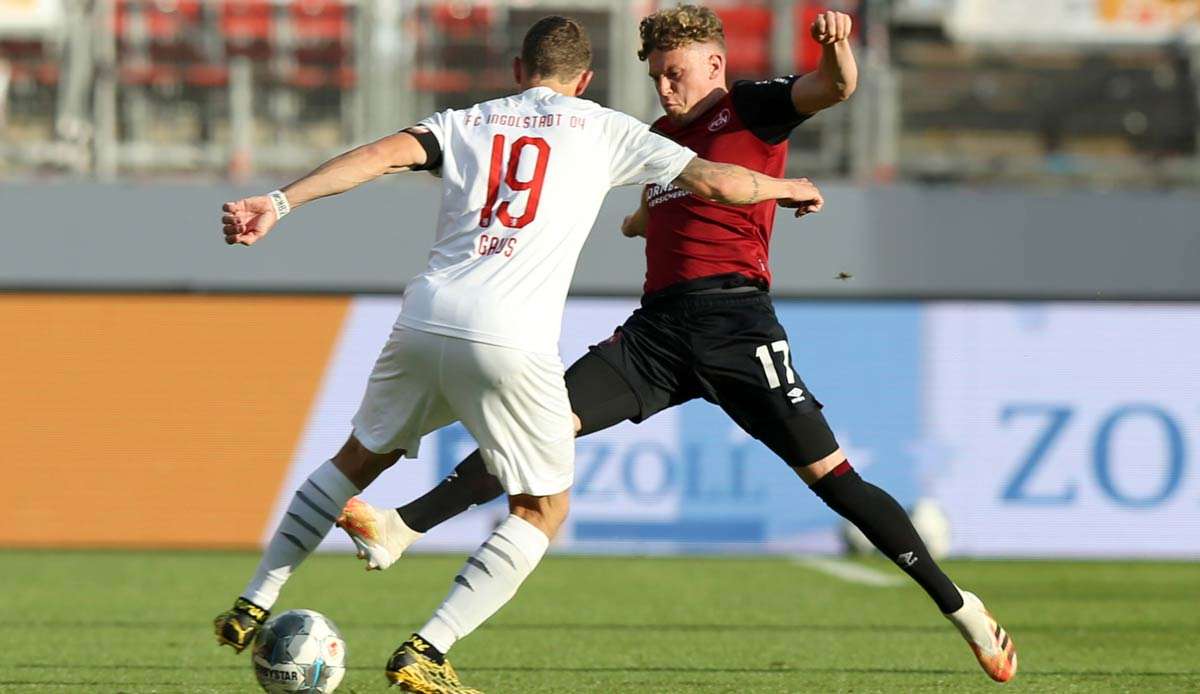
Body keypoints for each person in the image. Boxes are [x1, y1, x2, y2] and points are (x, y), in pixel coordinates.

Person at [337, 5, 1017, 685]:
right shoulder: (658, 135)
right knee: (538, 431)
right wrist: (639, 219)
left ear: (715, 64)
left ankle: (964, 610)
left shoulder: (753, 108)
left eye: (676, 72)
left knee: (834, 482)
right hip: (655, 336)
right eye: (658, 76)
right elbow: (660, 198)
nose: (665, 87)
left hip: (735, 326)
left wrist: (837, 48)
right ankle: (401, 527)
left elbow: (834, 88)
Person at [211, 14, 824, 693]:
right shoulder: (606, 128)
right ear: (584, 79)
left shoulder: (466, 121)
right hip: (510, 337)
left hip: (426, 317)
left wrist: (279, 201)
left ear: (517, 71)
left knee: (358, 458)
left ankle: (252, 601)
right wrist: (785, 187)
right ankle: (426, 648)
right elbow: (719, 183)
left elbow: (376, 156)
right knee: (541, 509)